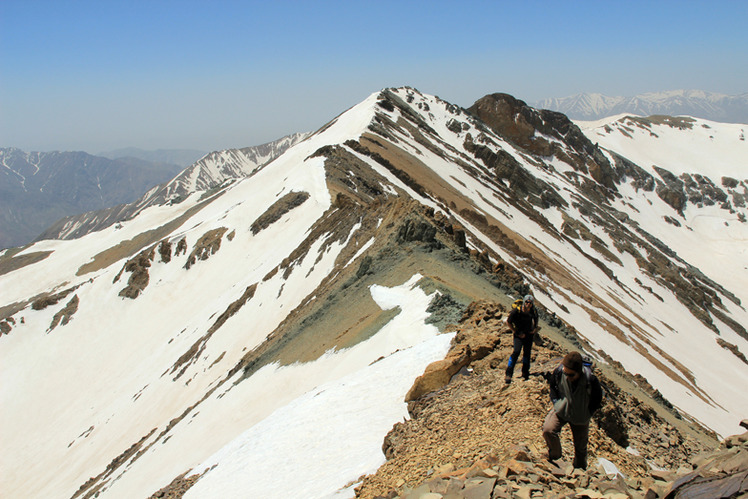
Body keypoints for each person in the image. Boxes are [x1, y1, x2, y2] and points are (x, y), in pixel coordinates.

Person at [542, 351, 603, 469]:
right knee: (548, 430)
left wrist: (588, 412)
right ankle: (554, 454)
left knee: (580, 448)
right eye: (566, 373)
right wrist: (556, 403)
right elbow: (553, 387)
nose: (568, 377)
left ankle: (579, 471)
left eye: (571, 375)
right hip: (562, 409)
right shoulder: (559, 372)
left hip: (581, 416)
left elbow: (597, 398)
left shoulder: (590, 380)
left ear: (579, 372)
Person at [505, 294, 539, 383]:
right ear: (524, 302)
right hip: (518, 334)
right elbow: (508, 322)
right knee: (516, 352)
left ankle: (525, 372)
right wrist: (515, 331)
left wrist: (534, 329)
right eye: (527, 302)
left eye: (530, 303)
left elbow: (536, 318)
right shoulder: (517, 311)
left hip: (528, 334)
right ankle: (508, 374)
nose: (528, 304)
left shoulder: (533, 311)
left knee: (527, 353)